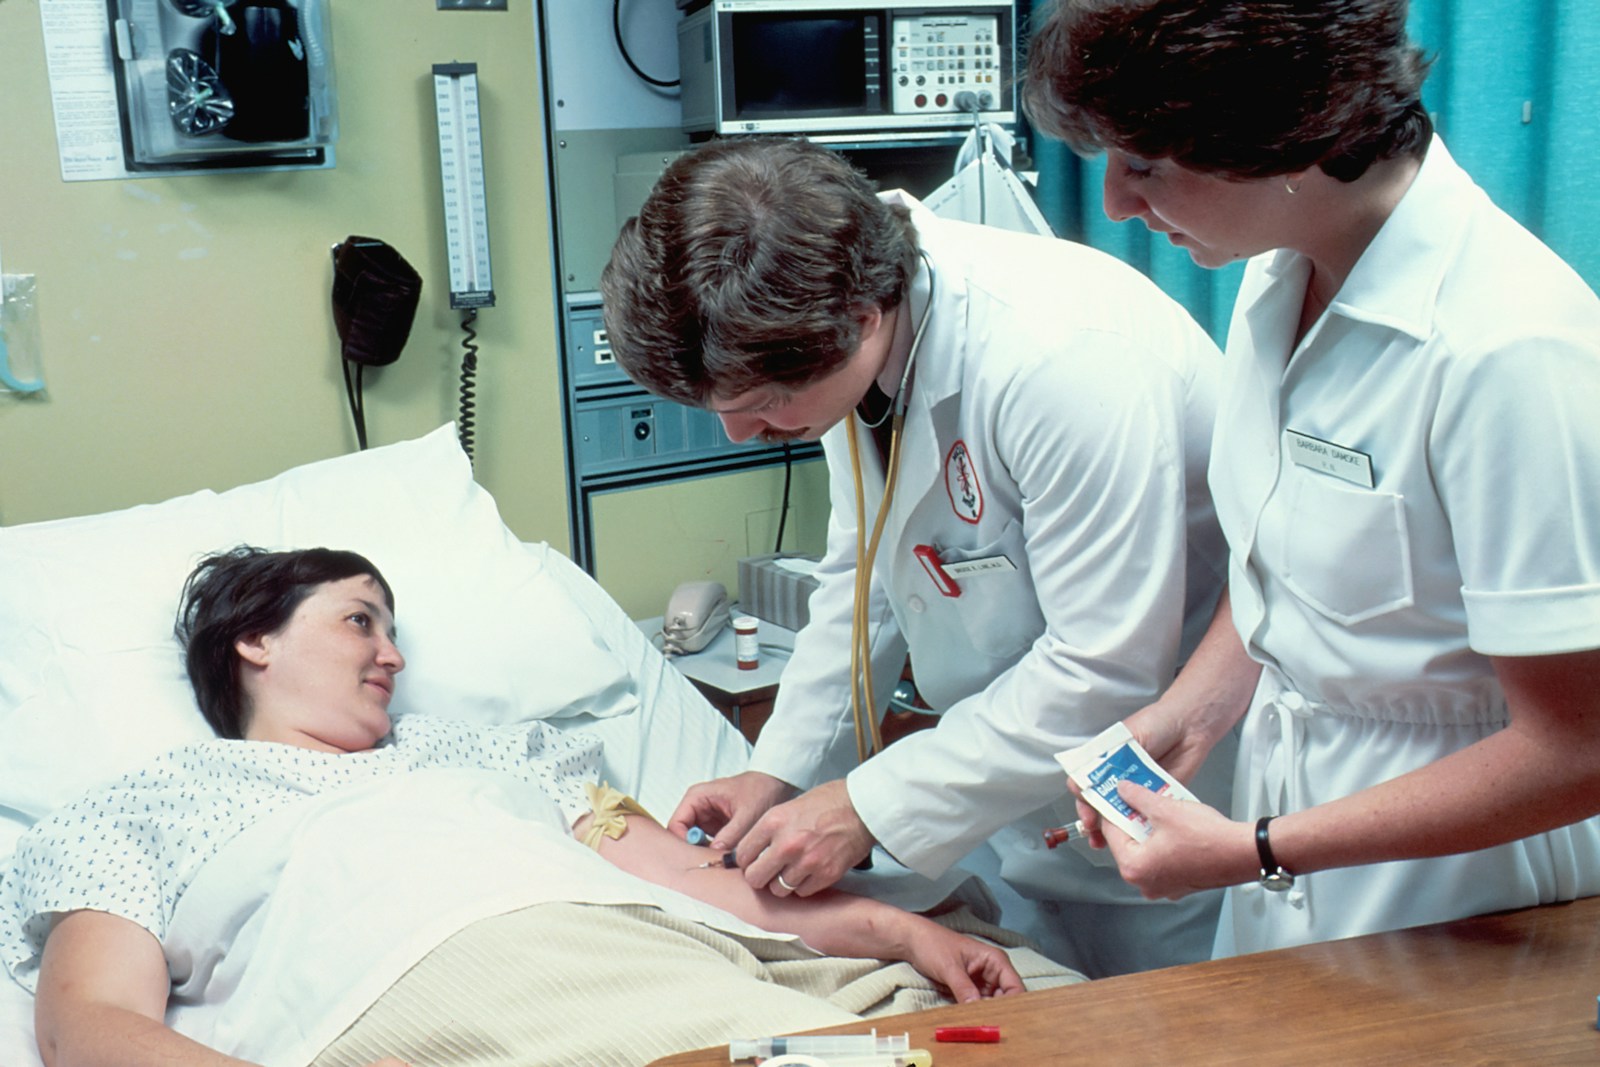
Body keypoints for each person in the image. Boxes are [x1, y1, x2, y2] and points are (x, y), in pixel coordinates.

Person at [1022, 0, 1600, 956]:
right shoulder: (1278, 273)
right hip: (1293, 850)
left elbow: (1578, 747)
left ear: (1295, 138)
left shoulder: (1509, 351)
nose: (1118, 205)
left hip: (1469, 889)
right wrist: (1193, 710)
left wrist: (1254, 847)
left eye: (1147, 166)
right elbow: (1285, 570)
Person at [600, 135, 1231, 977]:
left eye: (758, 406)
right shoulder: (844, 332)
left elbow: (1103, 665)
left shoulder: (1062, 361)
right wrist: (782, 771)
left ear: (858, 322)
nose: (739, 433)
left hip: (1167, 806)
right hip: (1010, 793)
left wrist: (866, 803)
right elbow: (866, 579)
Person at [8, 547, 1022, 1067]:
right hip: (438, 996)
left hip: (653, 958)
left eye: (393, 628)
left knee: (931, 1028)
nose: (393, 654)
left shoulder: (514, 755)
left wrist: (895, 929)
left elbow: (693, 882)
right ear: (253, 640)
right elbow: (89, 1024)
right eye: (360, 619)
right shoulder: (143, 802)